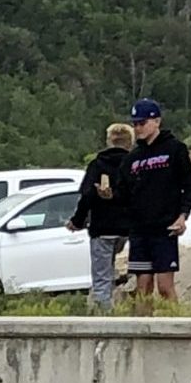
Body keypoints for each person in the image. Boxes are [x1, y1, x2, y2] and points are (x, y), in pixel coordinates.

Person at [121, 99, 191, 304]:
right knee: (142, 287)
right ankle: (143, 331)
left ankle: (175, 329)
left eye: (143, 123)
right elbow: (124, 191)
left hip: (165, 227)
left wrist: (183, 216)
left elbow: (190, 186)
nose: (139, 128)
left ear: (156, 121)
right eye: (135, 124)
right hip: (140, 229)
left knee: (165, 287)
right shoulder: (132, 158)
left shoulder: (175, 149)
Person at [66, 123, 137, 311]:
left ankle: (104, 317)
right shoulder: (134, 164)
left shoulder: (97, 164)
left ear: (109, 141)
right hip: (129, 228)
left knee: (102, 278)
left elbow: (87, 196)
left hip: (103, 228)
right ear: (130, 142)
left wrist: (77, 221)